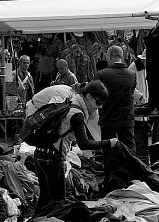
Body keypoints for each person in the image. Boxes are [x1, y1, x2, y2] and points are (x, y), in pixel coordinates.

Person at [25, 81, 118, 211]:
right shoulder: (77, 114)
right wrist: (109, 143)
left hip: (39, 154)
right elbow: (84, 144)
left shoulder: (68, 104)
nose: (99, 107)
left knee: (45, 199)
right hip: (53, 158)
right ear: (89, 97)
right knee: (59, 203)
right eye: (98, 102)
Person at [97, 45, 138, 180]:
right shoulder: (132, 74)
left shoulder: (102, 74)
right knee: (129, 149)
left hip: (108, 118)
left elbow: (98, 95)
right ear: (122, 56)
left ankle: (111, 179)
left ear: (108, 56)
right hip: (126, 118)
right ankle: (131, 177)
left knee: (109, 151)